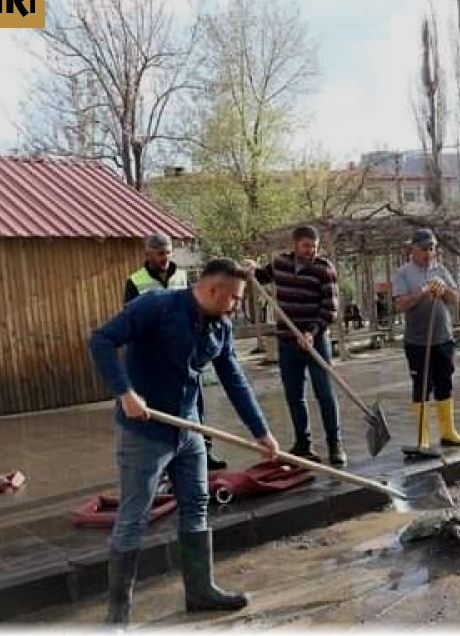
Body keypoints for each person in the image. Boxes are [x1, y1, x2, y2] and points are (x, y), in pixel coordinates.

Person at [90, 258, 279, 626]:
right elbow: (101, 340)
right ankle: (117, 616)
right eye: (235, 298)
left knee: (196, 507)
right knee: (133, 517)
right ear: (212, 290)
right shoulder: (156, 307)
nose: (237, 306)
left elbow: (234, 379)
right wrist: (124, 391)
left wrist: (261, 432)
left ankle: (200, 591)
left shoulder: (220, 326)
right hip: (145, 433)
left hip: (188, 430)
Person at [124, 232, 227, 471]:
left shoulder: (182, 276)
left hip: (186, 351)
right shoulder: (135, 281)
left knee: (196, 403)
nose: (165, 257)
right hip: (157, 356)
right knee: (164, 408)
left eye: (168, 252)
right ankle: (167, 458)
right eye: (160, 253)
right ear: (148, 254)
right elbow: (130, 319)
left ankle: (204, 450)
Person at [249, 226, 347, 466]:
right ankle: (303, 443)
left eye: (314, 246)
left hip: (315, 341)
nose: (310, 251)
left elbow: (329, 310)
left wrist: (312, 332)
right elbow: (262, 277)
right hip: (287, 340)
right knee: (294, 394)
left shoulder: (324, 270)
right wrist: (250, 270)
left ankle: (335, 444)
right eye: (306, 246)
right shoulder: (280, 264)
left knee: (324, 392)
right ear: (295, 245)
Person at [391, 228, 460, 453]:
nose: (428, 252)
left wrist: (443, 291)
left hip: (442, 338)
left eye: (431, 248)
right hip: (417, 341)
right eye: (424, 248)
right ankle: (422, 437)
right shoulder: (403, 274)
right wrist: (423, 292)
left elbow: (456, 299)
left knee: (445, 383)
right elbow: (400, 303)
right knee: (422, 386)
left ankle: (448, 432)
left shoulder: (441, 269)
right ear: (412, 249)